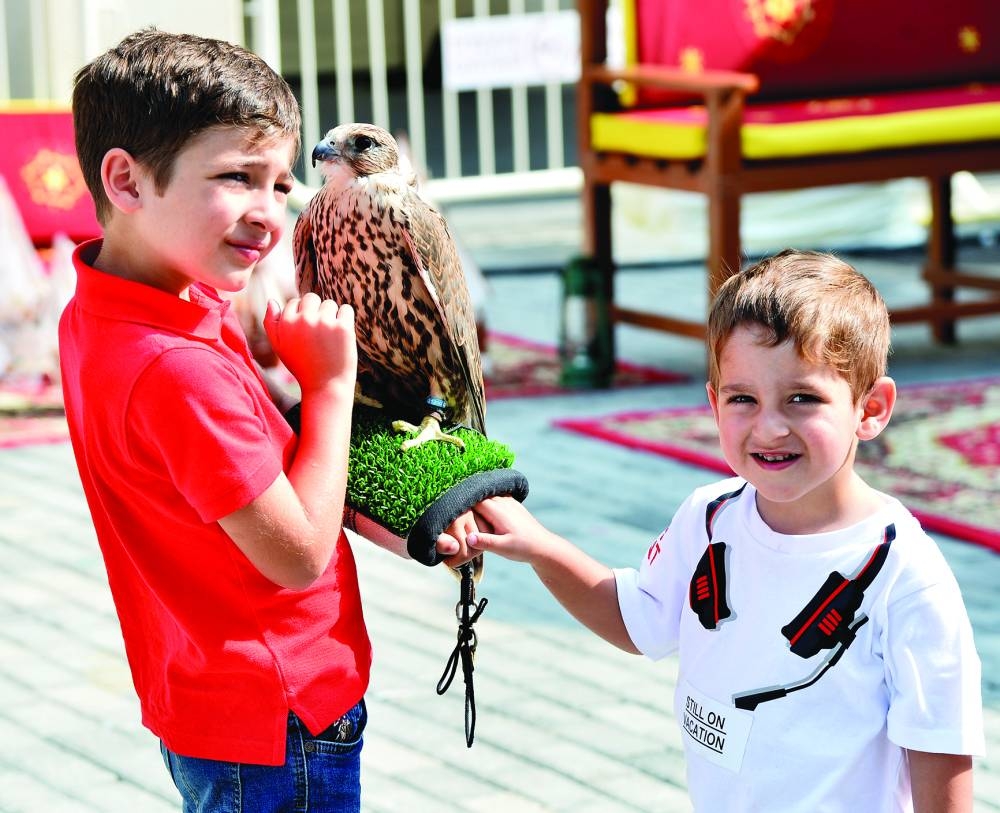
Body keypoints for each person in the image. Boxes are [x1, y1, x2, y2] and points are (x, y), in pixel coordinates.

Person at [60, 28, 473, 812]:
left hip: (207, 694)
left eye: (281, 185)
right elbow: (295, 555)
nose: (270, 214)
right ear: (126, 180)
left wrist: (398, 521)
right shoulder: (171, 365)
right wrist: (330, 386)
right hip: (277, 716)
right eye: (236, 177)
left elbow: (246, 472)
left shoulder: (121, 308)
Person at [470, 250, 985, 812]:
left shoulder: (906, 576)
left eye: (802, 398)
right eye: (744, 398)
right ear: (714, 404)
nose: (769, 426)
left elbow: (941, 752)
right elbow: (635, 620)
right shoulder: (707, 516)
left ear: (871, 408)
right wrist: (539, 547)